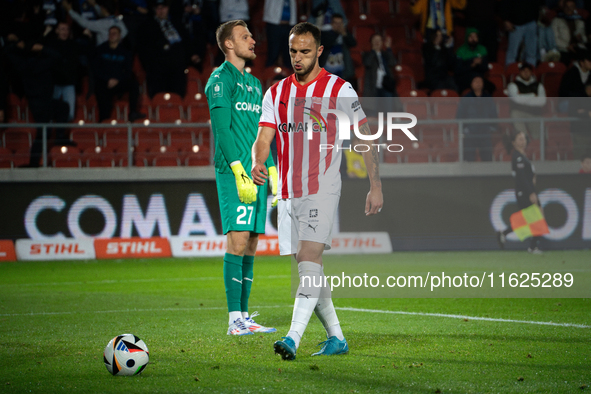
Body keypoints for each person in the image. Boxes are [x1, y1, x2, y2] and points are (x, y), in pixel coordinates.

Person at [251, 22, 383, 360]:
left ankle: (292, 337)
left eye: (305, 51)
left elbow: (365, 137)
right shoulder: (276, 93)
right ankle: (336, 338)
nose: (297, 57)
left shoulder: (340, 90)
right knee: (308, 265)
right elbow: (264, 136)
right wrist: (258, 162)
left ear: (320, 51)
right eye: (293, 51)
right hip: (287, 192)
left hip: (322, 187)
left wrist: (375, 186)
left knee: (309, 257)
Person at [204, 20, 277, 336]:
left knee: (251, 244)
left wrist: (273, 171)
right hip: (234, 173)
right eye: (245, 36)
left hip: (257, 174)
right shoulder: (219, 80)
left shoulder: (256, 84)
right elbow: (222, 131)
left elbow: (263, 134)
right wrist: (237, 171)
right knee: (236, 241)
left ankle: (244, 316)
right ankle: (234, 318)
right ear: (229, 44)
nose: (252, 40)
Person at [497, 131, 544, 254]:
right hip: (525, 192)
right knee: (536, 217)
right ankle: (533, 247)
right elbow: (522, 178)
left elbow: (528, 176)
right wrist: (531, 193)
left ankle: (505, 233)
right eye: (520, 139)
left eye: (524, 139)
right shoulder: (517, 157)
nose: (523, 142)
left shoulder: (522, 156)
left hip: (528, 190)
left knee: (532, 218)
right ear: (514, 142)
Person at [138, 0, 191, 98]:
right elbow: (144, 49)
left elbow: (187, 43)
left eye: (163, 7)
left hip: (177, 69)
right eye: (158, 8)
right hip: (158, 70)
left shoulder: (177, 24)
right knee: (159, 97)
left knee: (177, 97)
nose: (161, 10)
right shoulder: (147, 26)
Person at [92, 26, 144, 122]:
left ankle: (133, 112)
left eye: (114, 33)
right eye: (110, 33)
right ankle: (103, 124)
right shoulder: (100, 49)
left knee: (134, 84)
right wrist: (108, 79)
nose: (112, 35)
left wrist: (117, 80)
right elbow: (96, 69)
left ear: (120, 36)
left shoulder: (125, 52)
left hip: (119, 81)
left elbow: (128, 71)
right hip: (104, 83)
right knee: (104, 110)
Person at [456, 76, 497, 161]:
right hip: (470, 132)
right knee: (469, 158)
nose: (478, 83)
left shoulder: (488, 98)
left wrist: (492, 127)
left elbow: (493, 114)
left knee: (487, 158)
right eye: (475, 81)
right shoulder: (466, 98)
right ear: (471, 84)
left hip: (485, 132)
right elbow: (460, 115)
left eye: (480, 81)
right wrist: (465, 129)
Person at [45, 22, 80, 121]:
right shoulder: (51, 45)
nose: (65, 32)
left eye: (67, 29)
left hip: (69, 83)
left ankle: (65, 134)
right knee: (50, 113)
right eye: (62, 29)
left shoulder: (73, 45)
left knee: (70, 114)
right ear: (57, 31)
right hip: (54, 83)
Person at [507, 63, 547, 140]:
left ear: (531, 72)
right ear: (520, 72)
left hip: (534, 113)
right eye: (523, 70)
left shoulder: (539, 85)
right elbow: (516, 99)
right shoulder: (513, 85)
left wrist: (522, 97)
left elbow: (542, 101)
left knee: (538, 138)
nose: (526, 72)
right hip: (518, 112)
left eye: (528, 70)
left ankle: (536, 150)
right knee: (522, 137)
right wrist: (533, 96)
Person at [62, 0, 128, 46]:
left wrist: (70, 10)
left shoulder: (102, 23)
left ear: (103, 8)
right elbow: (125, 32)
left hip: (102, 53)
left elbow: (85, 23)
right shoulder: (118, 21)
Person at [318, 13, 356, 83]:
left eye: (340, 23)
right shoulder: (325, 34)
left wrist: (345, 34)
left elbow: (353, 44)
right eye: (336, 23)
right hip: (327, 71)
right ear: (331, 24)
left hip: (342, 72)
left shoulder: (345, 34)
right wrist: (337, 33)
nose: (338, 26)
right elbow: (327, 44)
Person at [501, 0, 540, 66]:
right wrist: (506, 19)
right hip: (515, 23)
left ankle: (530, 72)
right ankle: (510, 72)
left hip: (531, 21)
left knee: (531, 52)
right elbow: (505, 3)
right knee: (512, 52)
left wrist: (536, 18)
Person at [454, 28, 491, 94]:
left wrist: (480, 63)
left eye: (475, 36)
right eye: (471, 36)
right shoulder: (460, 51)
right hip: (465, 78)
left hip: (480, 77)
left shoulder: (482, 49)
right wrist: (472, 64)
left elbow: (485, 68)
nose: (473, 39)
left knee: (491, 87)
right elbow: (458, 70)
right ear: (467, 38)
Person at [551, 0, 587, 65]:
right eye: (567, 7)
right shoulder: (556, 20)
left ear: (575, 8)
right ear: (563, 8)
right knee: (564, 58)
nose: (569, 9)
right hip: (563, 48)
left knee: (586, 56)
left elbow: (585, 38)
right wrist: (567, 46)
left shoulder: (580, 21)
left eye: (571, 7)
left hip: (577, 47)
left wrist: (581, 38)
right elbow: (554, 39)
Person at [264, 0, 297, 67]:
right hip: (274, 25)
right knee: (273, 52)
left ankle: (288, 74)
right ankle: (268, 73)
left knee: (288, 53)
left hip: (289, 26)